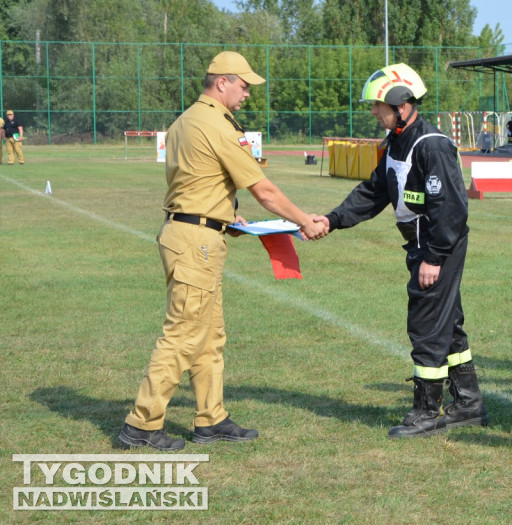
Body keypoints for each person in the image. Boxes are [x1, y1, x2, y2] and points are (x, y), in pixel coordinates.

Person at [121, 51, 328, 451]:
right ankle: (142, 425)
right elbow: (264, 190)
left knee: (209, 336)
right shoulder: (218, 125)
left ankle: (210, 418)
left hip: (194, 233)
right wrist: (303, 220)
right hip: (195, 242)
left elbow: (199, 182)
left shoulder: (185, 120)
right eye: (244, 84)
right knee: (183, 334)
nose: (248, 92)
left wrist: (225, 217)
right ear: (222, 82)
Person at [317, 63, 487, 438]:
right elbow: (374, 192)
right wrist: (332, 219)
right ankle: (469, 403)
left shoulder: (433, 145)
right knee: (448, 323)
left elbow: (452, 209)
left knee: (426, 324)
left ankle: (426, 413)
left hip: (436, 246)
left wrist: (433, 257)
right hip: (422, 244)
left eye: (379, 105)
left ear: (402, 103)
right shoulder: (397, 141)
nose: (374, 112)